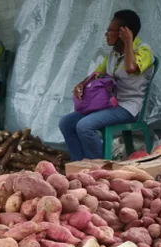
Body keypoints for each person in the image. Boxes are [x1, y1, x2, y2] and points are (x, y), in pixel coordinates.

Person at [59, 10, 154, 161]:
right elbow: (96, 74)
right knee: (66, 123)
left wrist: (128, 42)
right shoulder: (113, 54)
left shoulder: (144, 50)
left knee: (84, 126)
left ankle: (100, 168)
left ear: (125, 32)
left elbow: (130, 68)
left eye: (110, 30)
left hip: (128, 108)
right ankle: (79, 164)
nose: (106, 33)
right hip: (110, 105)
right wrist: (81, 85)